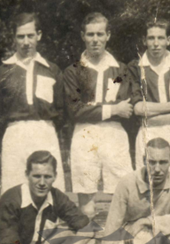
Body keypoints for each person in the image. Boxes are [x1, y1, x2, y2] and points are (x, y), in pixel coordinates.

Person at [64, 12, 133, 228]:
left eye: (100, 34)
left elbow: (126, 105)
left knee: (120, 194)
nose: (95, 39)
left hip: (114, 134)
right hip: (84, 133)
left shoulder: (120, 70)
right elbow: (76, 110)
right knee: (86, 197)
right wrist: (113, 109)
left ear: (108, 35)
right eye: (90, 34)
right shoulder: (73, 71)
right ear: (83, 36)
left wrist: (95, 107)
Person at [0, 12, 66, 193]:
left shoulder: (52, 70)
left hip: (45, 132)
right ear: (14, 38)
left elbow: (61, 110)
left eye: (30, 36)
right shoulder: (1, 72)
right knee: (15, 191)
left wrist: (45, 127)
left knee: (48, 191)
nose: (26, 42)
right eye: (21, 36)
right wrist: (14, 128)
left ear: (38, 35)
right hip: (14, 135)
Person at [0, 151, 93, 244]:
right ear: (27, 175)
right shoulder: (12, 198)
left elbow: (88, 228)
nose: (42, 183)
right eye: (37, 176)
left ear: (55, 176)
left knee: (71, 236)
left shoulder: (56, 196)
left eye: (47, 177)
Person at [102, 138, 170, 244]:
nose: (157, 169)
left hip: (161, 235)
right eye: (152, 162)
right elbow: (112, 225)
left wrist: (145, 221)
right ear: (144, 160)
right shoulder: (126, 182)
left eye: (163, 162)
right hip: (132, 239)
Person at [128, 18, 170, 190]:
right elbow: (138, 108)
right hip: (148, 134)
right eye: (151, 38)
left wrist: (152, 118)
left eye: (160, 38)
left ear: (168, 40)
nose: (156, 43)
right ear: (144, 40)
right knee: (147, 187)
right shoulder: (135, 67)